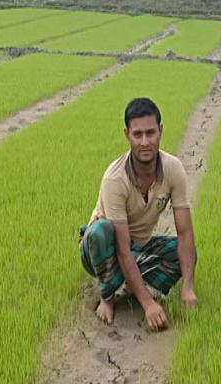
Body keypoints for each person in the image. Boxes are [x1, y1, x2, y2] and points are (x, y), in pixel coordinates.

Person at [79, 97, 198, 331]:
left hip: (138, 247)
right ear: (127, 135)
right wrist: (148, 304)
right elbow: (122, 248)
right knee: (100, 231)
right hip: (101, 249)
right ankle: (108, 295)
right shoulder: (115, 179)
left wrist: (188, 287)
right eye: (138, 134)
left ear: (161, 131)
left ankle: (125, 285)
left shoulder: (173, 169)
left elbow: (185, 233)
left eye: (151, 133)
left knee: (185, 254)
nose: (145, 142)